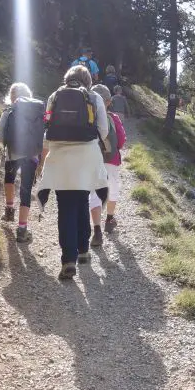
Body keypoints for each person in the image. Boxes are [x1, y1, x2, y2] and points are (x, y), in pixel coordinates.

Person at [35, 65, 108, 280]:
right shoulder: (94, 98)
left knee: (65, 207)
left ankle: (68, 260)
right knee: (82, 200)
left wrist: (44, 156)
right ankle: (83, 251)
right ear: (88, 80)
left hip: (60, 158)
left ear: (67, 78)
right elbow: (103, 130)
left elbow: (47, 126)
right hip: (86, 157)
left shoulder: (54, 95)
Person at [0, 83, 45, 243]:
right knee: (26, 190)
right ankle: (22, 228)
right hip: (31, 155)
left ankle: (9, 210)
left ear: (12, 96)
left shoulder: (9, 111)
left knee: (9, 180)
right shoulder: (37, 111)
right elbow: (42, 136)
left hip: (12, 153)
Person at [88, 84, 126, 246]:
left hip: (93, 159)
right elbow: (122, 140)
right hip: (111, 160)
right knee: (112, 187)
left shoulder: (88, 117)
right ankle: (109, 219)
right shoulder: (113, 118)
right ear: (108, 102)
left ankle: (96, 230)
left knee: (94, 194)